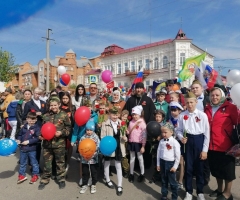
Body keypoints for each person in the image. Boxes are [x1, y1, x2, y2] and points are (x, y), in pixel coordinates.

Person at [205, 87, 239, 200]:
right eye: (212, 95)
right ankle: (220, 190)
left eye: (217, 95)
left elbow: (237, 123)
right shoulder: (208, 108)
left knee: (228, 172)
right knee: (216, 170)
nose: (214, 97)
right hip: (212, 145)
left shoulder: (231, 107)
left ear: (222, 96)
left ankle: (227, 193)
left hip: (226, 145)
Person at [176, 92, 210, 200]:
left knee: (200, 168)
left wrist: (205, 150)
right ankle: (189, 191)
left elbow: (207, 133)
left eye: (191, 102)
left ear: (196, 102)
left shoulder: (202, 115)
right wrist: (181, 137)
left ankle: (200, 192)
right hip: (188, 141)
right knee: (188, 168)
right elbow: (178, 130)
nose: (189, 105)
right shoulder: (182, 115)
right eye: (187, 102)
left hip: (199, 140)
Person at [38, 97, 72, 190]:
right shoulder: (46, 116)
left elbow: (69, 129)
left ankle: (61, 179)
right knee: (47, 163)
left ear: (59, 105)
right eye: (51, 105)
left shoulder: (64, 115)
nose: (53, 107)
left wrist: (62, 133)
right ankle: (45, 179)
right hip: (47, 144)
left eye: (55, 105)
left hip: (59, 144)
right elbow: (42, 128)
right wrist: (41, 135)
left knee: (60, 162)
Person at [101, 107, 127, 196]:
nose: (115, 116)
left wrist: (125, 138)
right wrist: (105, 145)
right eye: (113, 114)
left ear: (119, 115)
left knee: (118, 165)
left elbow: (124, 135)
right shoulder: (105, 124)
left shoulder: (122, 123)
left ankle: (119, 185)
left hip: (118, 146)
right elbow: (102, 136)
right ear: (109, 115)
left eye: (116, 115)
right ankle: (108, 180)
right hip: (108, 146)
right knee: (107, 163)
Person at [71, 100, 98, 186]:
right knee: (82, 161)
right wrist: (73, 140)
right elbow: (75, 130)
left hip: (92, 141)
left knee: (91, 160)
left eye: (89, 107)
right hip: (82, 141)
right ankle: (82, 177)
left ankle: (90, 177)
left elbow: (97, 128)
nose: (88, 109)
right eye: (86, 107)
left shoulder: (95, 116)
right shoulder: (79, 115)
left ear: (92, 108)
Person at [191, 80, 210, 185]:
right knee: (194, 155)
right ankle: (195, 172)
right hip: (193, 130)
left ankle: (205, 176)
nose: (194, 90)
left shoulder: (207, 99)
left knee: (204, 155)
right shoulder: (191, 99)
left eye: (196, 88)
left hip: (203, 131)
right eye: (193, 88)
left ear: (202, 88)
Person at [22, 87, 46, 165]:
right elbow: (24, 116)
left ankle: (37, 164)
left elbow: (46, 113)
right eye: (36, 93)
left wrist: (42, 114)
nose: (37, 95)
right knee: (31, 145)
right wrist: (34, 114)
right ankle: (31, 164)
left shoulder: (43, 103)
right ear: (33, 93)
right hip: (32, 127)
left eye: (39, 94)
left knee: (39, 146)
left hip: (41, 126)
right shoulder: (28, 104)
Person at [157, 122, 180, 200]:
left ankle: (174, 197)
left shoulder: (174, 142)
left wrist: (175, 166)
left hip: (170, 164)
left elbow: (177, 156)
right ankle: (164, 195)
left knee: (173, 182)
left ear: (171, 132)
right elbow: (158, 153)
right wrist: (158, 164)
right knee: (164, 180)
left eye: (165, 132)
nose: (163, 134)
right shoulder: (161, 141)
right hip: (163, 162)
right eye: (162, 132)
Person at [16, 111, 40, 184]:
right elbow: (19, 134)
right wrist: (18, 139)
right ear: (27, 119)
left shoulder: (37, 128)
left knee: (34, 163)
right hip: (23, 148)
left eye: (33, 120)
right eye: (30, 119)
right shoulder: (24, 127)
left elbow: (37, 138)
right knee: (22, 163)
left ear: (36, 120)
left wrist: (28, 141)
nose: (31, 121)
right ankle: (21, 175)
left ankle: (35, 174)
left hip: (32, 149)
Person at [79, 120, 100, 194]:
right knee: (85, 172)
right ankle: (84, 184)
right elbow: (80, 148)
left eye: (91, 130)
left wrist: (92, 156)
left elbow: (97, 148)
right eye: (87, 130)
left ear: (93, 129)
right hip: (84, 159)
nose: (89, 132)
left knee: (94, 172)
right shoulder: (83, 137)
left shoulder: (96, 137)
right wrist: (83, 156)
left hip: (93, 159)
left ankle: (93, 184)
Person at [127, 105, 146, 183]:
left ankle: (142, 174)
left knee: (140, 158)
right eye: (133, 115)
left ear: (139, 114)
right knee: (132, 158)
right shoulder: (131, 122)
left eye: (136, 114)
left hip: (138, 143)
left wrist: (143, 146)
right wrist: (125, 131)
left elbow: (144, 135)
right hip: (132, 142)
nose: (134, 116)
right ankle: (131, 173)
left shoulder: (142, 123)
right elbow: (128, 131)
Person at [169, 101, 185, 189]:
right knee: (172, 161)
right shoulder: (170, 119)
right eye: (171, 110)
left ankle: (180, 181)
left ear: (179, 111)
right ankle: (172, 179)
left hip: (181, 142)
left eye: (175, 110)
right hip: (172, 142)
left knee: (181, 162)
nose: (173, 112)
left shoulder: (182, 119)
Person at [149, 109, 165, 184]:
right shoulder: (152, 124)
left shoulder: (164, 126)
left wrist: (161, 136)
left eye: (159, 116)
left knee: (161, 160)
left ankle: (161, 175)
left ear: (162, 118)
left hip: (162, 146)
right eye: (156, 116)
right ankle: (156, 174)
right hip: (155, 145)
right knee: (155, 160)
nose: (158, 118)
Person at [120, 109, 130, 178]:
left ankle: (126, 170)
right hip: (119, 140)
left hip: (124, 141)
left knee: (124, 156)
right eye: (123, 116)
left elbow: (126, 131)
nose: (124, 118)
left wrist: (127, 132)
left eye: (126, 117)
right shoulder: (119, 122)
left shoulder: (126, 123)